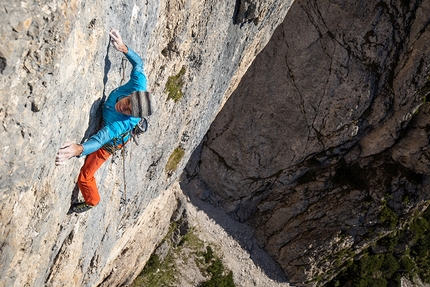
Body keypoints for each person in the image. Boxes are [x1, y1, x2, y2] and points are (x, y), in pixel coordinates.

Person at [55, 28, 154, 213]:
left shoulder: (122, 123)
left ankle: (92, 201)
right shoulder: (138, 84)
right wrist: (125, 49)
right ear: (133, 94)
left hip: (110, 144)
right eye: (127, 103)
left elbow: (100, 140)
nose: (123, 108)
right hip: (111, 128)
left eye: (129, 112)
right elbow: (138, 64)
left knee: (85, 176)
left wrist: (79, 149)